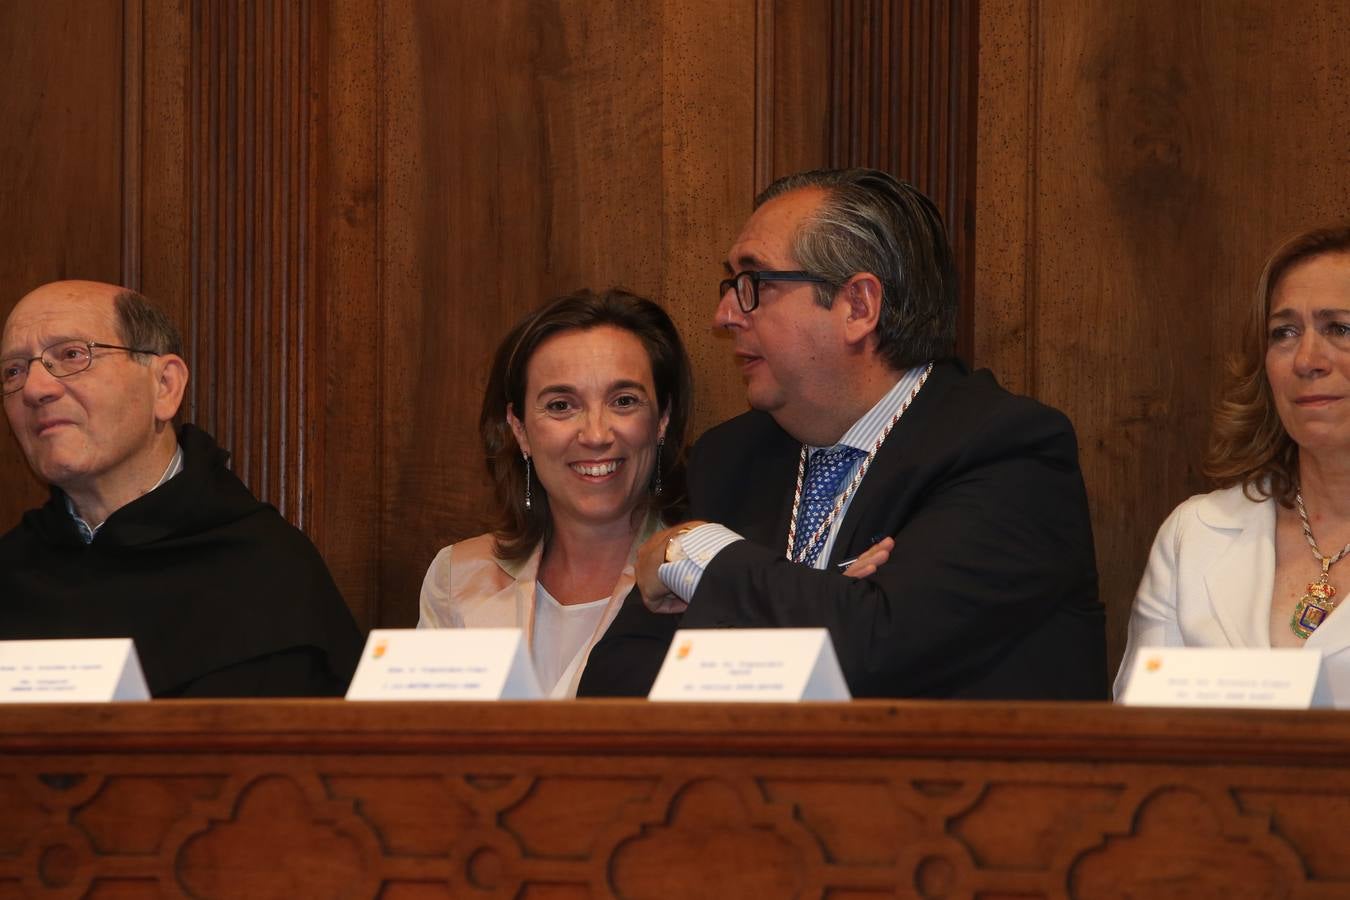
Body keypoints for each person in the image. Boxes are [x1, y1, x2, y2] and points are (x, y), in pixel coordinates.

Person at [578, 167, 1106, 699]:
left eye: (753, 284)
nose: (724, 316)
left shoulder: (1009, 453)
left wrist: (701, 551)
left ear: (858, 305)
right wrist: (825, 605)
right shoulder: (731, 457)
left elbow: (877, 649)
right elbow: (613, 681)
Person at [0, 280, 363, 697]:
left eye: (72, 355)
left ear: (165, 386)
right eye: (14, 370)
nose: (34, 388)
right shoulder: (11, 574)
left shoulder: (265, 571)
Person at [417, 288, 693, 698]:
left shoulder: (699, 577)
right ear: (520, 429)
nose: (596, 435)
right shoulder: (458, 577)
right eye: (562, 406)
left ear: (662, 420)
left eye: (623, 401)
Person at [1116, 224, 1350, 704]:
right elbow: (1140, 736)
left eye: (1340, 328)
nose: (1307, 359)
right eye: (1284, 332)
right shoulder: (1195, 534)